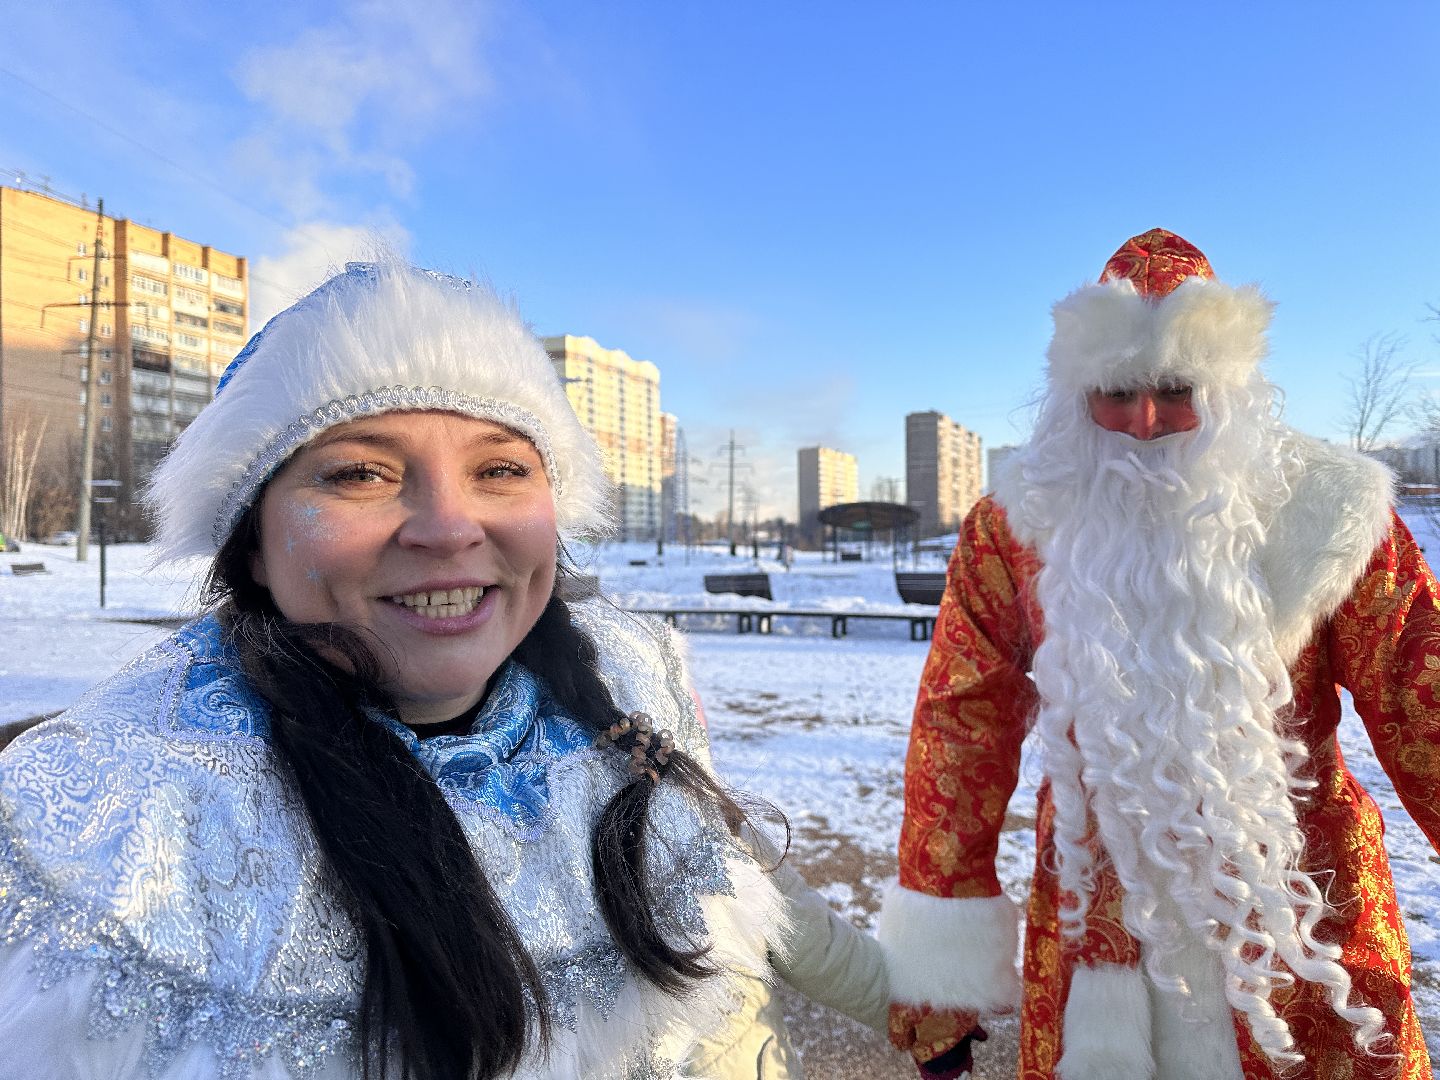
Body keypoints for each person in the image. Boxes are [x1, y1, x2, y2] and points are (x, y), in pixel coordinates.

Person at [0, 262, 888, 1079]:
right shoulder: (100, 819)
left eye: (499, 468)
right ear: (253, 545)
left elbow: (722, 877)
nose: (449, 528)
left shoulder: (626, 678)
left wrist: (905, 992)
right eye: (358, 473)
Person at [878, 229, 1440, 1080]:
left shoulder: (1334, 515)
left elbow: (1421, 691)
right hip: (1096, 919)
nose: (1144, 424)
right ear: (1077, 396)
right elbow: (962, 722)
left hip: (1299, 911)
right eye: (1115, 393)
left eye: (1177, 390)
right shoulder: (1016, 523)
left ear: (1227, 389)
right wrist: (938, 973)